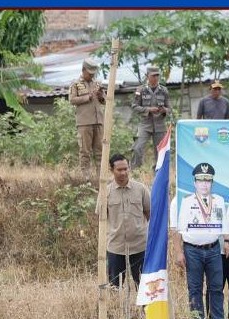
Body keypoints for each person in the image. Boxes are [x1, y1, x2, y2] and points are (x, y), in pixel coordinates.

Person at [173, 162, 227, 319]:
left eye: (208, 180)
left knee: (216, 287)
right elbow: (176, 229)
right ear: (194, 182)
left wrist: (227, 241)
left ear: (212, 182)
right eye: (201, 180)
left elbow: (224, 224)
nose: (204, 184)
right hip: (192, 250)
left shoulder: (218, 200)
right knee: (195, 288)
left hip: (213, 248)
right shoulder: (182, 201)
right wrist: (178, 252)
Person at [103, 153, 150, 287]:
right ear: (111, 170)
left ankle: (142, 302)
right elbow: (101, 218)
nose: (123, 173)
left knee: (143, 286)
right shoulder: (105, 192)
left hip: (139, 246)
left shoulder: (141, 189)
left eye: (126, 169)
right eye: (119, 170)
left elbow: (149, 213)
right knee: (114, 285)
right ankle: (114, 302)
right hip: (115, 247)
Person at [68, 58, 105, 177]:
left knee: (100, 152)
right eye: (90, 73)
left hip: (98, 121)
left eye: (93, 73)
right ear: (83, 70)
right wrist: (87, 97)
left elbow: (104, 101)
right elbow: (72, 100)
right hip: (84, 123)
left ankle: (101, 178)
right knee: (85, 152)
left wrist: (101, 96)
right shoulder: (76, 84)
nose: (92, 75)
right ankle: (86, 178)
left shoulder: (98, 83)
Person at [131, 65, 171, 169]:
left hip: (160, 125)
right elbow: (134, 106)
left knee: (160, 151)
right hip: (145, 125)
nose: (155, 78)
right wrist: (148, 109)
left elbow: (169, 109)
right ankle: (135, 171)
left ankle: (158, 172)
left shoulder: (164, 90)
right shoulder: (140, 90)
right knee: (138, 148)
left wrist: (164, 110)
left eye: (157, 75)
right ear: (147, 76)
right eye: (153, 76)